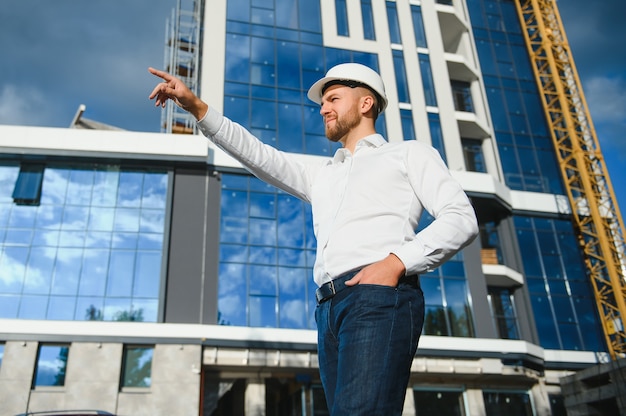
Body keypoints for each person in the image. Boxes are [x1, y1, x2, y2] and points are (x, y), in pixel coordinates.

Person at [149, 63, 478, 415]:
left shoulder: (408, 154)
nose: (323, 109)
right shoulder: (322, 174)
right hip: (329, 310)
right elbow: (258, 154)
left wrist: (394, 264)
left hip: (380, 297)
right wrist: (197, 107)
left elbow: (461, 219)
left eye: (333, 98)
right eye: (323, 103)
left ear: (366, 103)